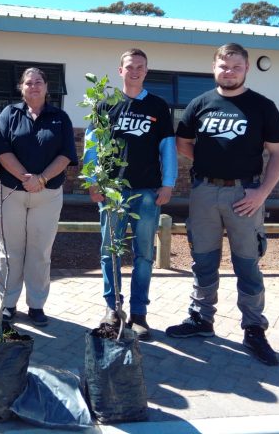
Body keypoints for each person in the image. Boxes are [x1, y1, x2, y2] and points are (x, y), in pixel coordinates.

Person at [165, 42, 279, 366]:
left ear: (246, 68)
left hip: (245, 196)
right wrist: (208, 164)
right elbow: (183, 143)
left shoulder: (262, 107)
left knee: (247, 263)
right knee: (203, 260)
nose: (229, 71)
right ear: (214, 67)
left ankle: (253, 330)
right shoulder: (199, 104)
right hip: (204, 192)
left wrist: (261, 192)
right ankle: (201, 319)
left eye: (236, 66)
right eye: (223, 66)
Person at [84, 49, 177, 341]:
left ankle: (139, 314)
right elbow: (91, 146)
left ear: (146, 71)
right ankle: (112, 309)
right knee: (108, 253)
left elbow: (168, 149)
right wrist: (92, 180)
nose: (135, 70)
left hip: (147, 192)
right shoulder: (105, 105)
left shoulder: (159, 106)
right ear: (120, 70)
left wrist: (169, 182)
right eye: (129, 66)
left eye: (140, 67)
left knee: (144, 255)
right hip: (112, 193)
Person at [0, 68, 78, 326]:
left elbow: (66, 155)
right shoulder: (9, 114)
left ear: (46, 87)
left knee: (40, 252)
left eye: (38, 82)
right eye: (28, 83)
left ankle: (36, 305)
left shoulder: (59, 117)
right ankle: (8, 303)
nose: (33, 86)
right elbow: (1, 150)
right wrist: (25, 178)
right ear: (21, 87)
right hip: (11, 192)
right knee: (9, 251)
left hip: (48, 195)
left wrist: (40, 179)